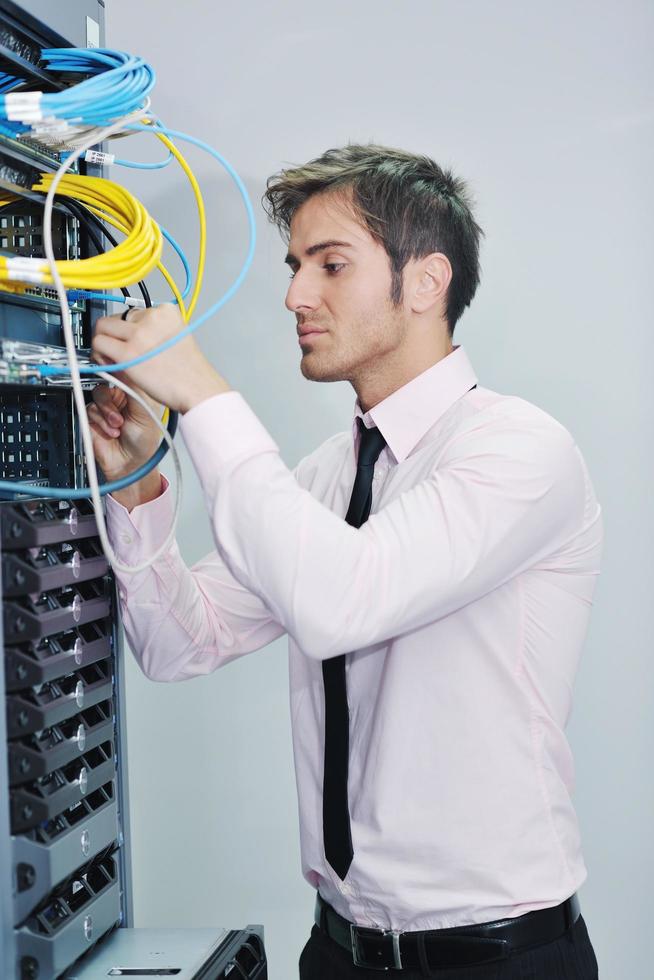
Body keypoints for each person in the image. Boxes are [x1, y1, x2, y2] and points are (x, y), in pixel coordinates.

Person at [88, 144, 603, 979]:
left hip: (496, 960)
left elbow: (341, 600)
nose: (295, 295)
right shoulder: (328, 474)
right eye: (295, 266)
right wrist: (138, 489)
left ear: (427, 281)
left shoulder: (519, 451)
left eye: (331, 265)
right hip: (336, 951)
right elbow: (181, 644)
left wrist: (205, 394)